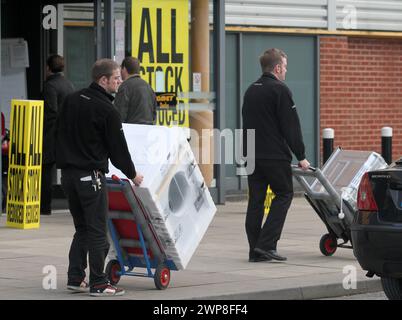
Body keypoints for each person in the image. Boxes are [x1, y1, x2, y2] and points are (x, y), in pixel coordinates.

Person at [55, 59, 144, 296]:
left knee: (82, 228)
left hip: (68, 177)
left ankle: (75, 278)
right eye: (116, 78)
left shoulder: (71, 100)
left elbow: (56, 133)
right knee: (97, 232)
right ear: (102, 80)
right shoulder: (107, 110)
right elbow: (118, 151)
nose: (119, 82)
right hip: (91, 177)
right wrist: (133, 174)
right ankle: (98, 283)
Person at [242, 48, 310, 263]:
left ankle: (255, 251)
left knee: (256, 201)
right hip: (273, 155)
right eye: (285, 67)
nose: (286, 72)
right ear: (278, 67)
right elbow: (291, 126)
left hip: (251, 154)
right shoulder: (280, 90)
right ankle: (267, 244)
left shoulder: (251, 90)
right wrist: (301, 155)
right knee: (284, 194)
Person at [41, 54, 74, 215]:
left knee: (45, 170)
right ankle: (72, 204)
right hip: (67, 134)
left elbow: (51, 112)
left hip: (50, 134)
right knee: (68, 170)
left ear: (48, 68)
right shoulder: (69, 85)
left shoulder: (50, 86)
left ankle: (45, 207)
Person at [114, 56, 157, 124]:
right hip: (147, 130)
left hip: (131, 131)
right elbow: (154, 113)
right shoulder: (148, 87)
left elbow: (119, 115)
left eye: (121, 69)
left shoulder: (125, 87)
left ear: (124, 69)